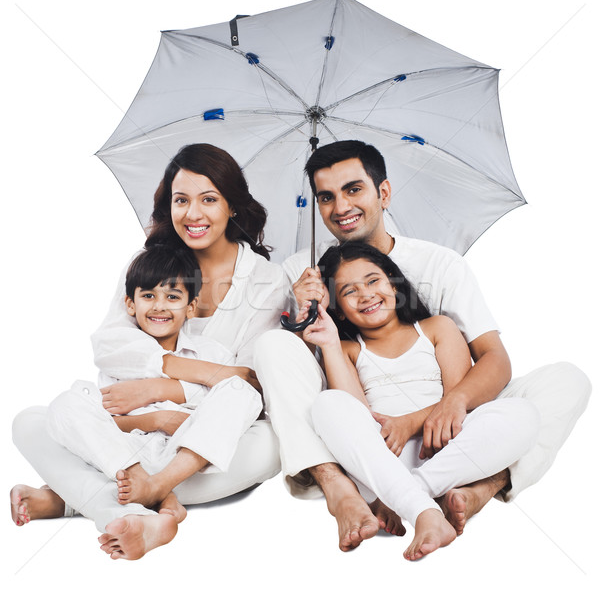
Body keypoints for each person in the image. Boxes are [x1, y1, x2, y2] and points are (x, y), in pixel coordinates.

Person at [254, 139, 591, 551]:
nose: (340, 207)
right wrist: (305, 312)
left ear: (384, 193)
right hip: (367, 430)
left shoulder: (439, 267)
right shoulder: (301, 270)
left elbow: (493, 359)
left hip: (446, 420)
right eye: (326, 197)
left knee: (563, 382)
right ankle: (338, 487)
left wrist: (453, 404)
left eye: (353, 189)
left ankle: (473, 488)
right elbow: (292, 375)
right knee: (276, 347)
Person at [12, 143, 286, 560]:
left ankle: (79, 497)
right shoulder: (149, 264)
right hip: (127, 442)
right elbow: (109, 345)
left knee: (272, 443)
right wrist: (176, 373)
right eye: (181, 200)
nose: (193, 214)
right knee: (32, 420)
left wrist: (162, 396)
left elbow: (251, 386)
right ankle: (144, 511)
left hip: (201, 453)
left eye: (209, 199)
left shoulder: (269, 280)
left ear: (232, 205)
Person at [303, 242, 539, 560]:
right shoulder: (348, 350)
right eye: (349, 291)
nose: (366, 295)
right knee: (327, 404)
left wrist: (410, 423)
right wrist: (330, 342)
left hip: (445, 450)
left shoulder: (437, 328)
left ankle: (411, 496)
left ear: (393, 282)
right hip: (385, 459)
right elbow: (356, 413)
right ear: (339, 309)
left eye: (373, 281)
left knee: (522, 413)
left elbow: (457, 403)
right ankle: (422, 508)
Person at [45, 245, 263, 550]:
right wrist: (156, 419)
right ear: (130, 304)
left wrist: (173, 401)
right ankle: (152, 500)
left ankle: (156, 489)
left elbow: (238, 397)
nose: (159, 306)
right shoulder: (123, 353)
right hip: (128, 454)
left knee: (241, 392)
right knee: (64, 405)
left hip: (187, 454)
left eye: (172, 297)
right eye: (148, 296)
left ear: (190, 307)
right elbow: (106, 422)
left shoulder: (210, 353)